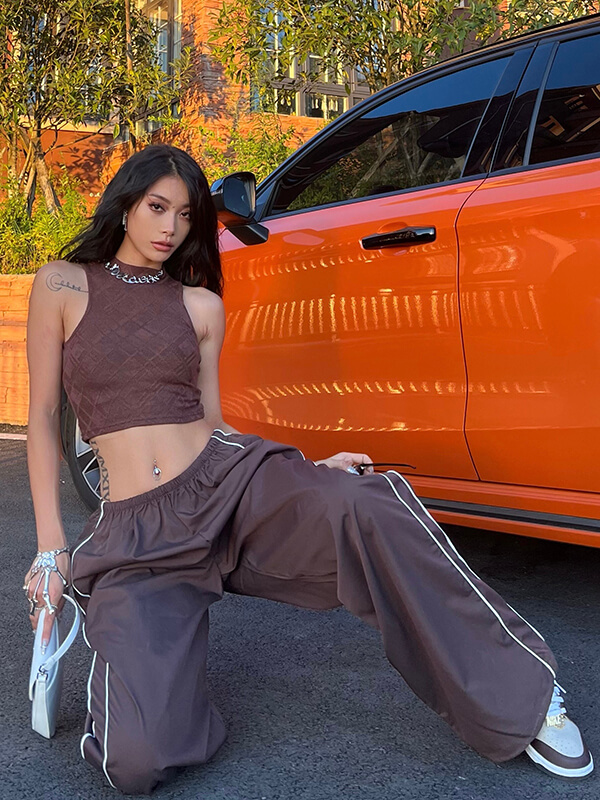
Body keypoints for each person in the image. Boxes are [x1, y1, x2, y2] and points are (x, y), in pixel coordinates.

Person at [23, 144, 593, 794]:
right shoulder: (62, 284)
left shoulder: (199, 306)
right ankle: (157, 682)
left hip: (226, 484)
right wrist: (50, 550)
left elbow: (213, 425)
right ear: (126, 202)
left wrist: (305, 472)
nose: (169, 228)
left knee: (367, 504)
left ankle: (524, 696)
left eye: (186, 215)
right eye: (157, 207)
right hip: (139, 537)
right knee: (137, 761)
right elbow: (41, 420)